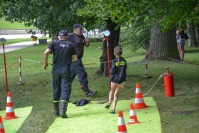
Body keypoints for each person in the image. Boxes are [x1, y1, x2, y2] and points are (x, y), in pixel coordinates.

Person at [43, 30, 77, 118]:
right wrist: (69, 59)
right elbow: (75, 58)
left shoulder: (54, 43)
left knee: (56, 88)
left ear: (59, 37)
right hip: (66, 69)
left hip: (55, 69)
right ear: (66, 37)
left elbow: (46, 52)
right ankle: (63, 110)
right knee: (65, 88)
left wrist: (45, 63)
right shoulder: (71, 44)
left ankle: (56, 110)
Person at [68, 24, 97, 97]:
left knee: (70, 76)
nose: (81, 31)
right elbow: (62, 43)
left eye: (82, 29)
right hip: (74, 59)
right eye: (80, 29)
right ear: (75, 29)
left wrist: (87, 42)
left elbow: (86, 45)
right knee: (82, 74)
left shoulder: (81, 36)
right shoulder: (70, 36)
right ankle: (87, 92)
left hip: (78, 59)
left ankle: (62, 90)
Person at [105, 46, 127, 114]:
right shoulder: (124, 61)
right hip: (122, 81)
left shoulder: (114, 61)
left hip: (114, 80)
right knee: (116, 95)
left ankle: (109, 102)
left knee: (111, 91)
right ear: (121, 53)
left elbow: (112, 71)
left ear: (114, 53)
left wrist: (111, 78)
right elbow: (125, 69)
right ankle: (113, 108)